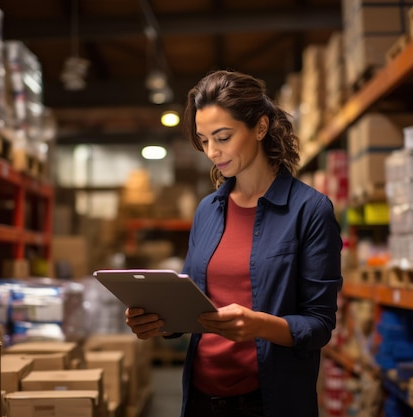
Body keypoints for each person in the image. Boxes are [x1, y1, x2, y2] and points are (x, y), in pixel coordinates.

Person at [125, 69, 342, 417]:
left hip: (267, 401)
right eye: (203, 139)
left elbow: (318, 325)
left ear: (260, 127)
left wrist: (260, 325)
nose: (211, 151)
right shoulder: (208, 211)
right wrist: (160, 321)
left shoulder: (309, 210)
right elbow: (192, 301)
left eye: (223, 137)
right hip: (200, 397)